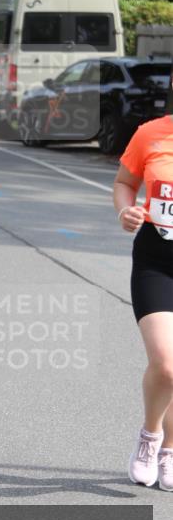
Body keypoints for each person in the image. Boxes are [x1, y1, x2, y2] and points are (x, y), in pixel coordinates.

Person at [113, 98, 173, 491]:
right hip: (157, 259)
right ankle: (150, 438)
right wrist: (126, 211)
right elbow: (123, 183)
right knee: (167, 364)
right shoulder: (150, 133)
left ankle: (171, 450)